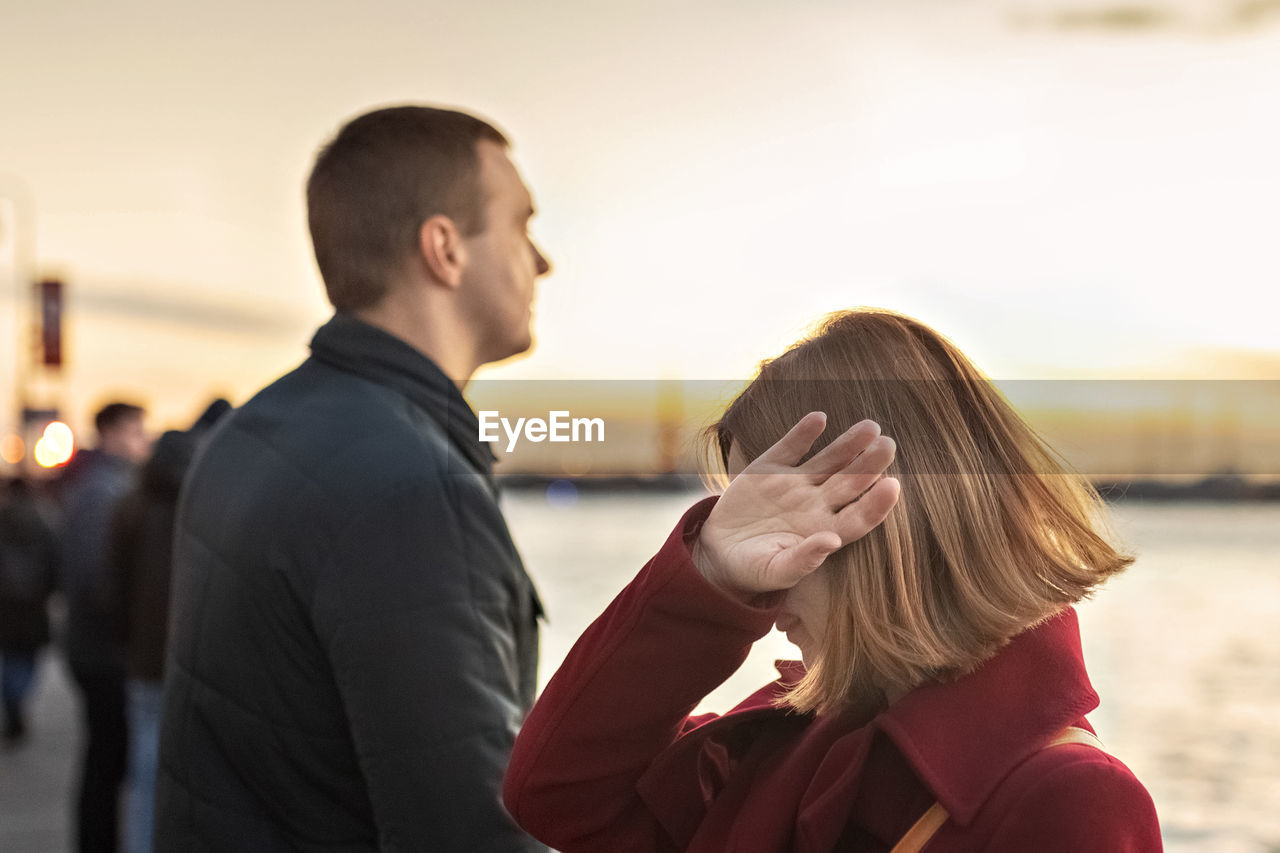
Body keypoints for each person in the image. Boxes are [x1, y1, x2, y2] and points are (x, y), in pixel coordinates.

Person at [504, 309, 1162, 852]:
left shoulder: (1071, 798)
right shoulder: (789, 734)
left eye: (777, 524)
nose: (766, 587)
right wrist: (708, 575)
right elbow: (559, 795)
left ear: (884, 522)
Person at [156, 106, 552, 851]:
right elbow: (469, 831)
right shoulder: (410, 488)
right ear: (444, 249)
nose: (542, 260)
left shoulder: (253, 429)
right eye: (520, 225)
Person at [107, 399, 230, 853]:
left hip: (143, 660)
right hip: (192, 660)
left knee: (145, 769)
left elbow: (113, 590)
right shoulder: (208, 504)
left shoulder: (129, 507)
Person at [58, 401, 150, 853]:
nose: (143, 441)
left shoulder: (98, 485)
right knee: (107, 763)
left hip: (96, 649)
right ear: (111, 432)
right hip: (104, 653)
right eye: (136, 431)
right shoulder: (105, 491)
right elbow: (99, 581)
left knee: (105, 760)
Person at [0, 477, 58, 744]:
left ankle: (12, 698)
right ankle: (17, 697)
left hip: (6, 605)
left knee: (10, 656)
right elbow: (54, 564)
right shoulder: (43, 521)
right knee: (27, 659)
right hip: (33, 605)